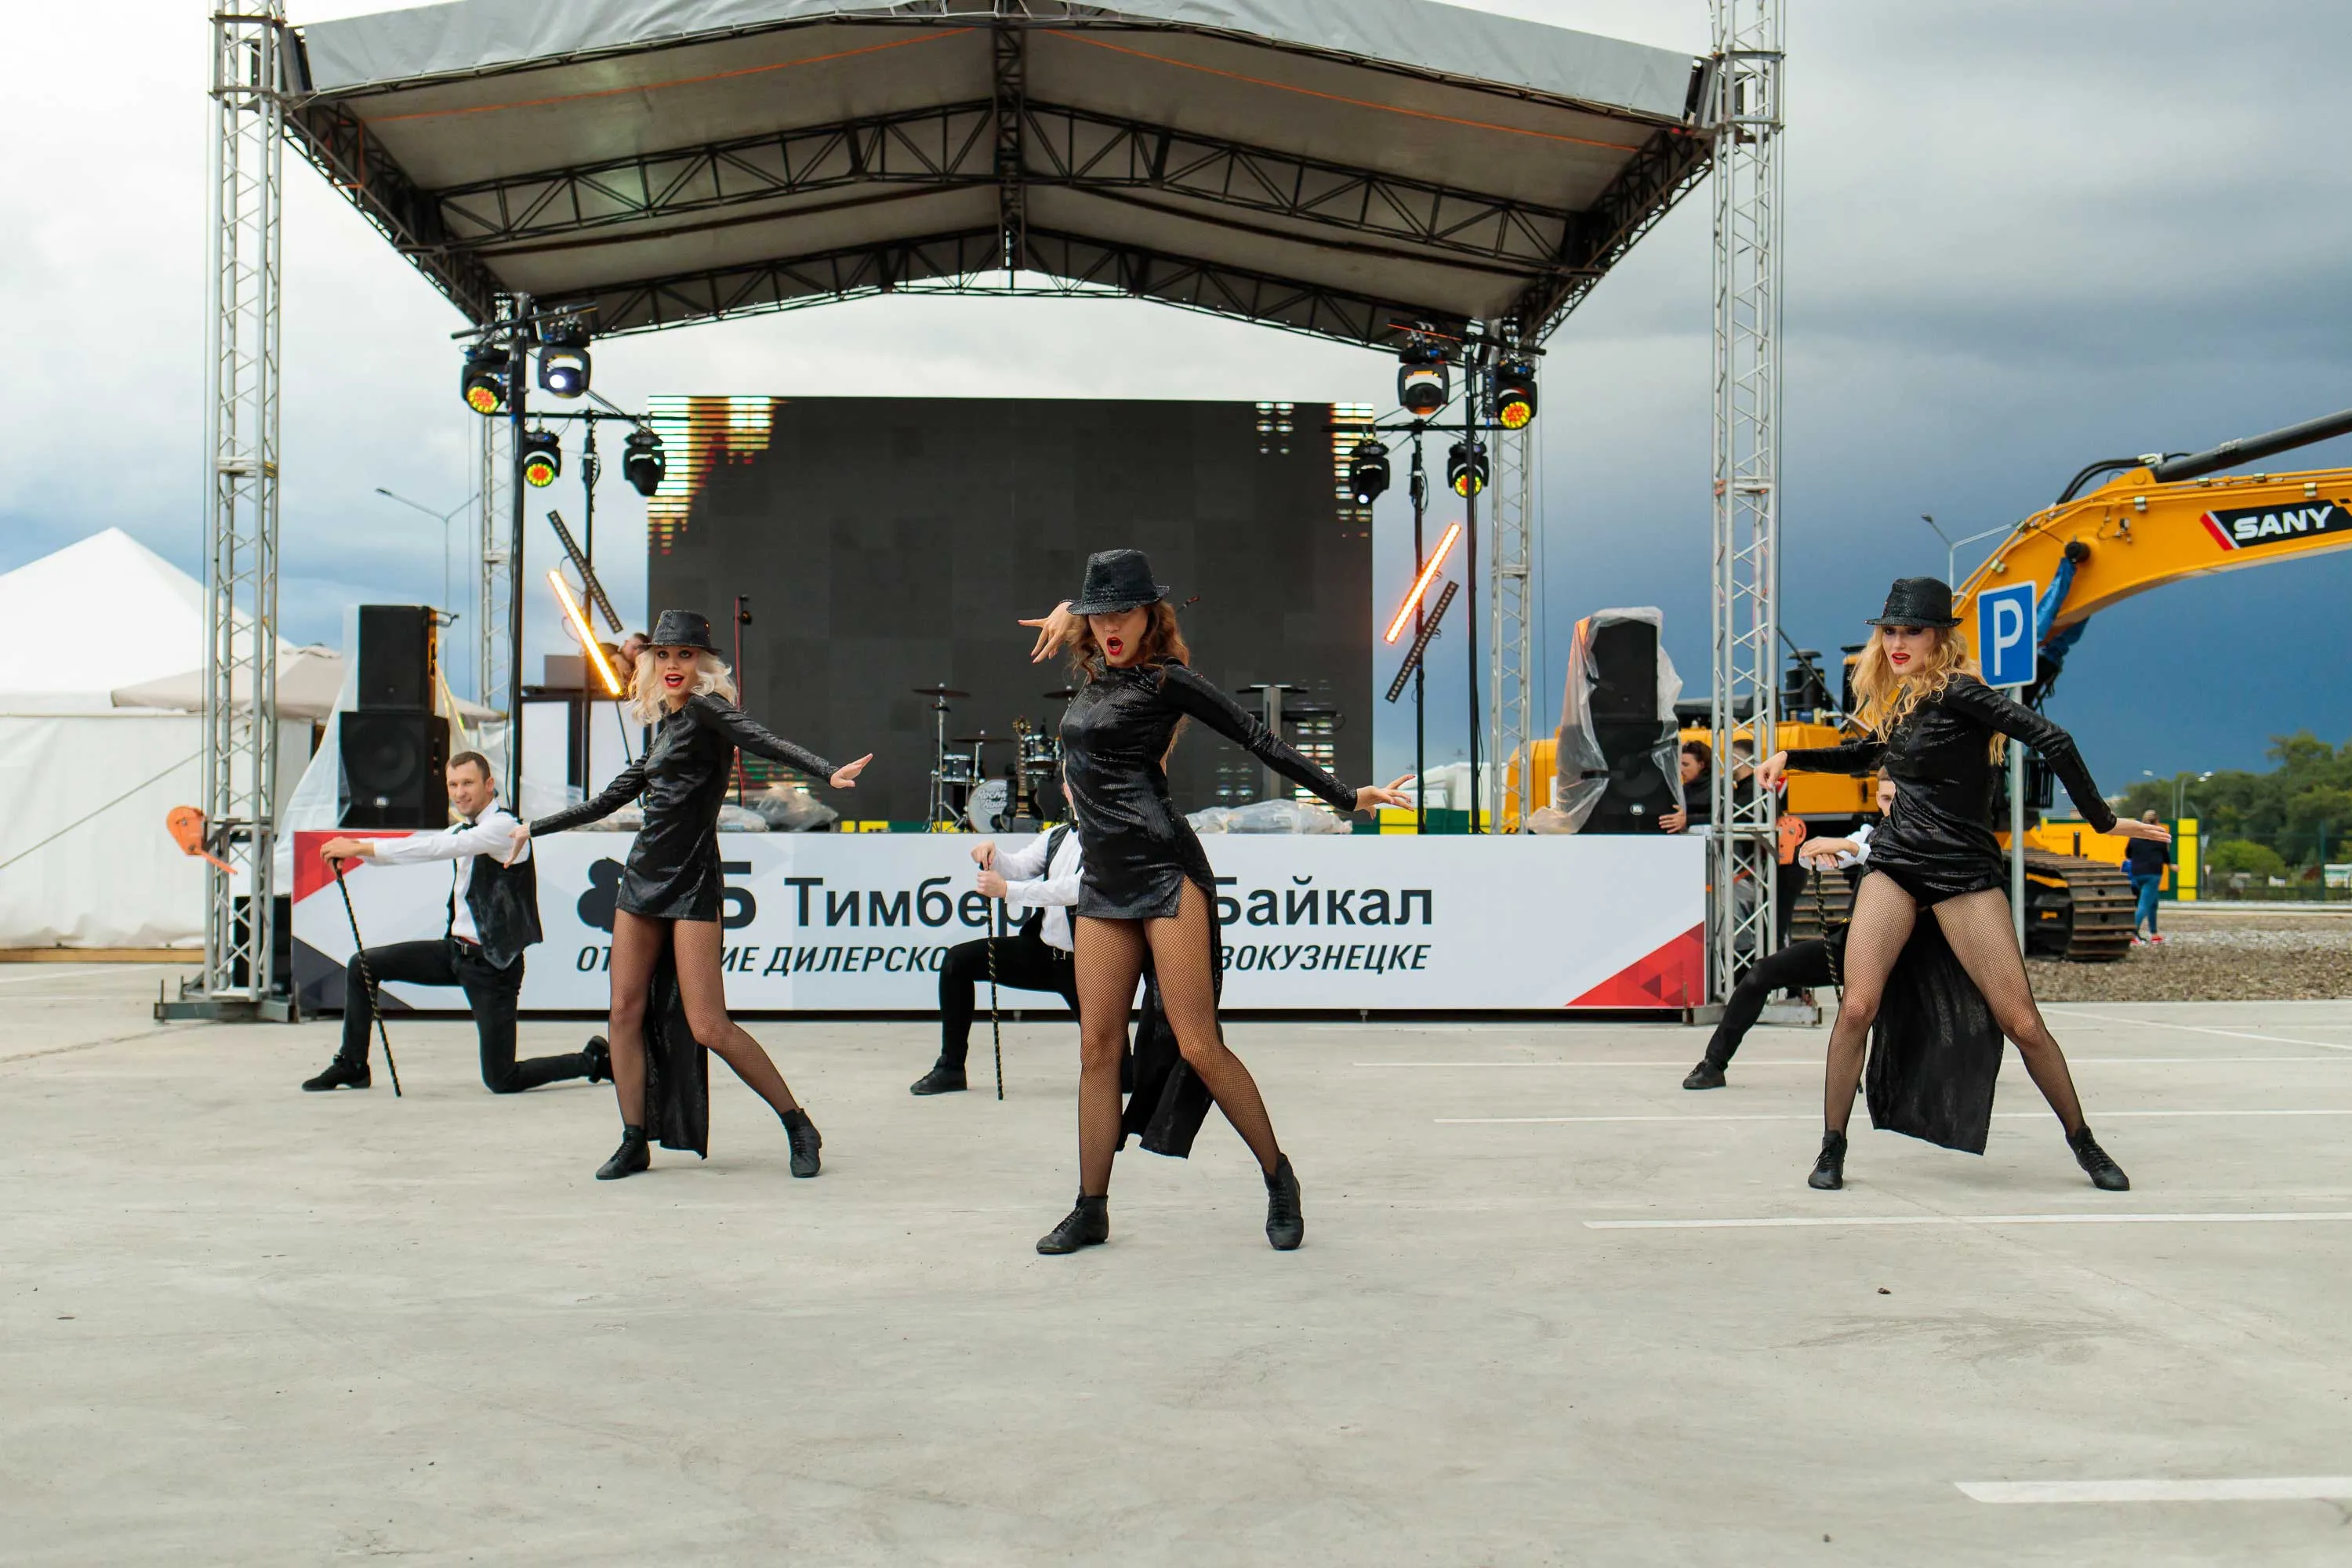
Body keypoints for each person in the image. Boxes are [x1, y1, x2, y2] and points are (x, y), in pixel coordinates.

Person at [1018, 550, 1412, 1254]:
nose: (1111, 627)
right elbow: (1091, 623)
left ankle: (1279, 1177)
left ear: (1150, 615)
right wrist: (1071, 610)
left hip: (1166, 871)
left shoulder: (1168, 681)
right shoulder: (1096, 674)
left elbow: (1259, 739)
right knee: (1097, 1049)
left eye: (1124, 614)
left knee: (1197, 1043)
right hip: (1104, 882)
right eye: (1100, 616)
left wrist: (1346, 796)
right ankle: (1090, 1208)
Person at [1757, 577, 2170, 1192]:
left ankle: (2084, 1143)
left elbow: (2053, 738)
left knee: (2021, 1021)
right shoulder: (1904, 698)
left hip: (1962, 871)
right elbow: (1867, 754)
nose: (1898, 642)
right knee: (1858, 1007)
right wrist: (1792, 758)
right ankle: (1832, 1146)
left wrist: (2104, 822)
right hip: (1896, 863)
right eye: (1890, 631)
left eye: (1913, 631)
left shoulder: (1961, 691)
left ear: (1940, 637)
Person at [517, 610, 871, 1181]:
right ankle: (634, 1139)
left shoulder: (709, 710)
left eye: (685, 654)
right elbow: (607, 801)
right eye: (664, 654)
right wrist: (531, 828)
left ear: (702, 662)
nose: (673, 664)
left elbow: (764, 741)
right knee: (624, 1011)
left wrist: (827, 771)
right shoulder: (665, 728)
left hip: (692, 880)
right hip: (641, 880)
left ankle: (798, 1123)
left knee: (707, 1024)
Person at [303, 751, 604, 1094]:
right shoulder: (462, 830)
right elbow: (428, 848)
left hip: (492, 965)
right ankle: (353, 1065)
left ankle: (592, 1060)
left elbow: (437, 848)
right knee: (362, 966)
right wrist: (357, 854)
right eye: (453, 784)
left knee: (502, 1079)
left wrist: (360, 847)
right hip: (454, 953)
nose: (460, 792)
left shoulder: (504, 828)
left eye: (468, 783)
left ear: (489, 785)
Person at [1682, 770, 1896, 1091]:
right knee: (1761, 973)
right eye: (1886, 798)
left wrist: (1849, 849)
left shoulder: (1925, 835)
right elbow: (1837, 853)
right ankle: (1713, 1064)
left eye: (1897, 799)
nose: (1891, 806)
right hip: (1855, 943)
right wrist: (1817, 853)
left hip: (1904, 952)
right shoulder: (1871, 833)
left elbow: (1890, 856)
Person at [911, 806, 1087, 1096]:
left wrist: (1007, 890)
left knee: (1122, 1073)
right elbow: (1020, 866)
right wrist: (995, 855)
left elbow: (1074, 889)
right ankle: (951, 1068)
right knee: (957, 962)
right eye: (1069, 785)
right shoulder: (1057, 835)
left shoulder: (1109, 836)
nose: (1074, 789)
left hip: (1086, 965)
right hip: (1043, 953)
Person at [2125, 810, 2172, 943]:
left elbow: (2128, 854)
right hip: (2153, 874)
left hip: (2137, 873)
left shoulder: (2135, 836)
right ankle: (2132, 933)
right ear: (2156, 822)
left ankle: (2154, 934)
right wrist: (2170, 864)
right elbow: (2165, 856)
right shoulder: (2159, 836)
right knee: (2144, 904)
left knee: (2153, 903)